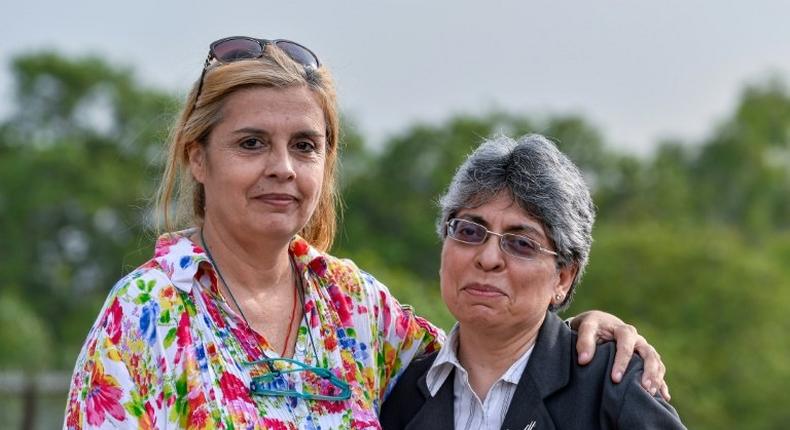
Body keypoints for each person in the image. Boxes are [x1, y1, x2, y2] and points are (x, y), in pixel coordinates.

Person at [64, 37, 668, 429]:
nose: (282, 167)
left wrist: (589, 329)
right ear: (199, 157)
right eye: (252, 143)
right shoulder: (144, 315)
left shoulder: (354, 308)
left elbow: (491, 352)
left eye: (305, 146)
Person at [380, 134, 686, 429]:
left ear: (563, 278)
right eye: (469, 232)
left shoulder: (609, 384)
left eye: (521, 243)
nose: (488, 259)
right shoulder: (401, 392)